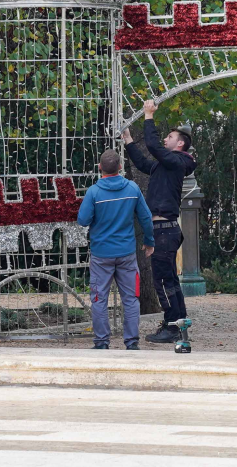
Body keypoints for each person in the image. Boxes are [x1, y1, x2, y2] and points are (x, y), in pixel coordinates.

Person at [121, 99, 196, 343]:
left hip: (164, 231)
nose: (165, 139)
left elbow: (153, 146)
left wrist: (149, 115)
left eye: (170, 137)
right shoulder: (166, 165)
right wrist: (129, 141)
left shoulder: (178, 162)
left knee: (163, 281)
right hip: (162, 230)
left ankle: (172, 327)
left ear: (180, 144)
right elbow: (144, 163)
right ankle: (178, 323)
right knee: (170, 280)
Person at [77, 148, 154, 350]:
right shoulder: (132, 188)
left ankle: (102, 342)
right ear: (120, 166)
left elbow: (83, 220)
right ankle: (132, 342)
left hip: (101, 255)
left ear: (100, 167)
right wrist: (149, 241)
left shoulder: (94, 192)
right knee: (130, 299)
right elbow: (146, 218)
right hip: (126, 253)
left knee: (99, 299)